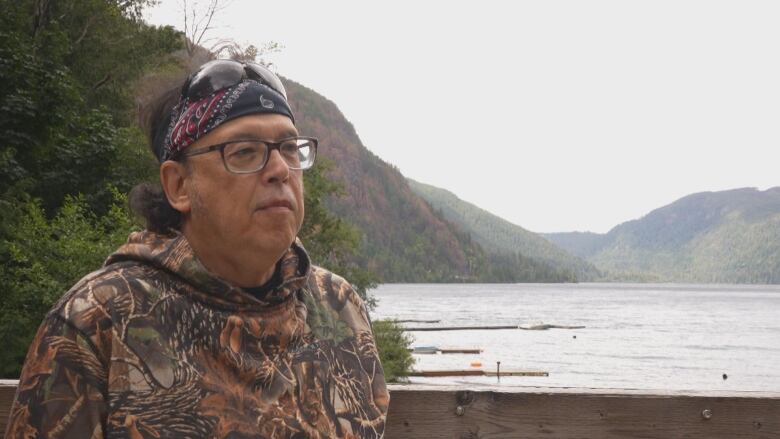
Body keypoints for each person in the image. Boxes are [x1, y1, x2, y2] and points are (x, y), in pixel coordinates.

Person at [4, 59, 389, 438]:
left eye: (289, 148)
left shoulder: (339, 307)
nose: (280, 169)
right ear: (179, 186)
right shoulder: (99, 320)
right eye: (244, 152)